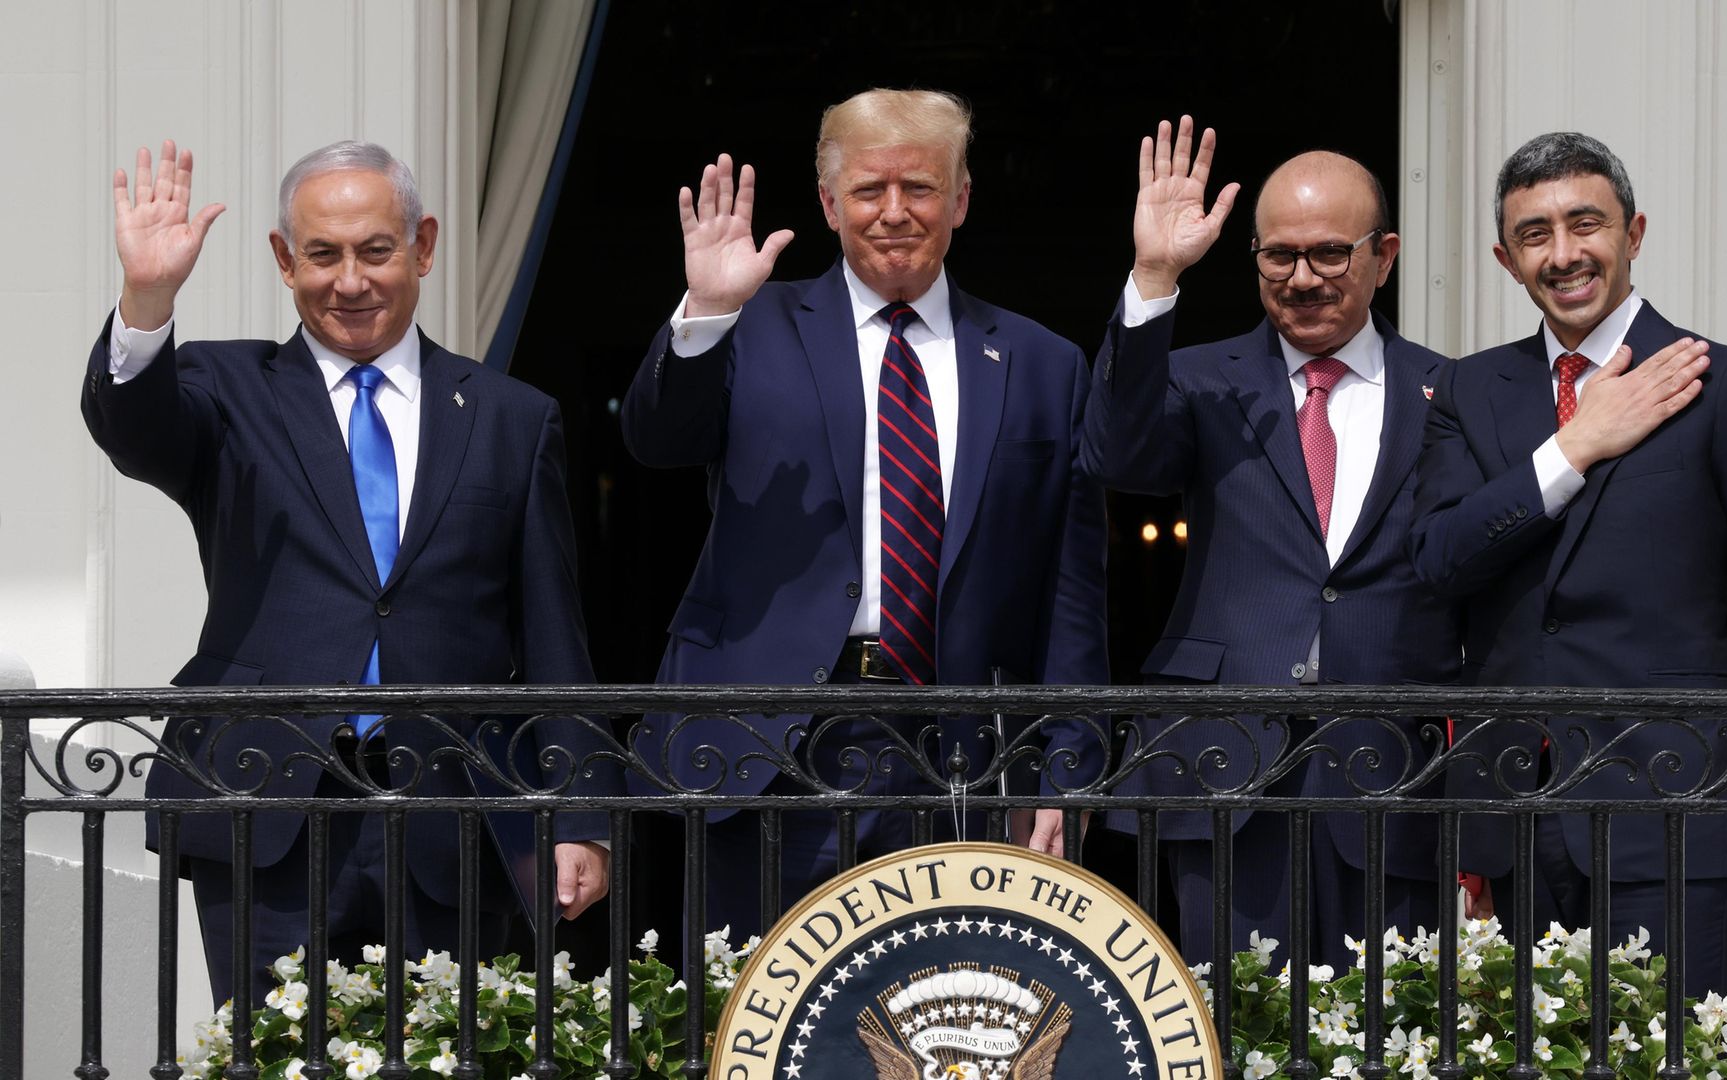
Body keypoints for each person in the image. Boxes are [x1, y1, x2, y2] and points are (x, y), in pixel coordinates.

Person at [83, 139, 611, 1007]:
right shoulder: (225, 387)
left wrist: (581, 813)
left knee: (451, 1060)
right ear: (285, 261)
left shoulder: (513, 418)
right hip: (266, 806)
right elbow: (134, 427)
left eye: (375, 250)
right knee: (267, 1057)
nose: (350, 281)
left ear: (424, 247)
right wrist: (148, 298)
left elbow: (555, 632)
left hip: (452, 814)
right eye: (322, 255)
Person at [621, 89, 1107, 935]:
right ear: (827, 203)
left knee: (950, 1027)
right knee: (760, 1024)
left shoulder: (1040, 361)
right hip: (772, 746)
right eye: (868, 190)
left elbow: (1069, 587)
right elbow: (658, 443)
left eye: (918, 188)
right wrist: (704, 314)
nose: (893, 213)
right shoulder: (748, 321)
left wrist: (1066, 769)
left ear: (959, 199)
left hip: (962, 755)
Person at [1409, 131, 1727, 997]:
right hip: (1515, 810)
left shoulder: (1719, 382)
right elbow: (1441, 558)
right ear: (1505, 257)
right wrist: (1573, 447)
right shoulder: (1469, 390)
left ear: (1633, 233)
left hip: (1676, 797)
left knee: (1677, 1054)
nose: (1564, 254)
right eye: (1535, 234)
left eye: (1585, 224)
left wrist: (1696, 708)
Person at [1079, 118, 1460, 966]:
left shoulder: (1453, 392)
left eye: (1330, 254)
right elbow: (1115, 454)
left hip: (1392, 770)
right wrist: (1155, 274)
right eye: (1278, 255)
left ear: (1385, 255)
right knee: (1234, 1022)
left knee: (1384, 1037)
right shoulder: (1202, 378)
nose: (1302, 279)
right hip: (1224, 762)